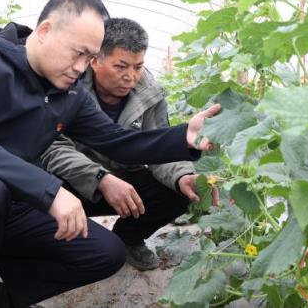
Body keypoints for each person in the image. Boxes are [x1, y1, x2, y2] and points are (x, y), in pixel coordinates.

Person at [0, 0, 220, 308]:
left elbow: (119, 142)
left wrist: (184, 137)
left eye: (89, 57)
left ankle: (0, 295)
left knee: (105, 253)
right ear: (45, 31)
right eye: (78, 53)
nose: (81, 67)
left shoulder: (68, 93)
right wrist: (51, 191)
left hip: (13, 207)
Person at [41, 17, 217, 271]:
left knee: (176, 192)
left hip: (124, 181)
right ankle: (60, 247)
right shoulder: (70, 84)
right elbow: (53, 147)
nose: (130, 77)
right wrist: (100, 178)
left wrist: (182, 175)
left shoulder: (151, 93)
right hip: (72, 182)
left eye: (138, 67)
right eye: (121, 66)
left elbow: (160, 146)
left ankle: (126, 239)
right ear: (95, 60)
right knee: (36, 197)